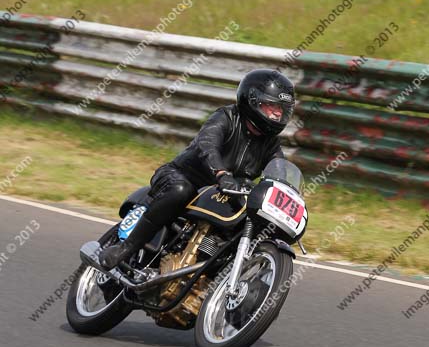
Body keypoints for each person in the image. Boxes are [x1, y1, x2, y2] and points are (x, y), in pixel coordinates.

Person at [99, 70, 296, 269]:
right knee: (180, 190)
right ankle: (125, 248)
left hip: (222, 194)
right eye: (272, 105)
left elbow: (278, 174)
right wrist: (221, 172)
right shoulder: (227, 117)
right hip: (183, 176)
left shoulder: (271, 144)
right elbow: (207, 144)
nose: (278, 113)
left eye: (282, 108)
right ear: (252, 100)